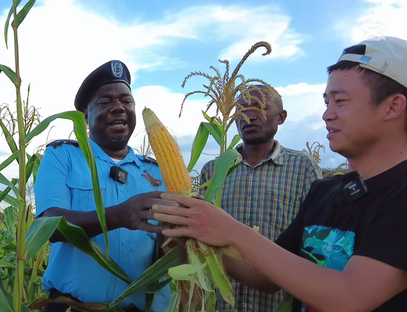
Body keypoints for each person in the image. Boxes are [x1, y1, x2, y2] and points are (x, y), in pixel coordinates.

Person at [151, 36, 407, 312]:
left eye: (340, 101)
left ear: (393, 106)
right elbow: (264, 276)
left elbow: (350, 297)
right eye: (326, 102)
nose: (326, 115)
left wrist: (231, 230)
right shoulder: (325, 193)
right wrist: (197, 238)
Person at [34, 60, 175, 312]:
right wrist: (119, 216)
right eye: (105, 101)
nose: (118, 107)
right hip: (72, 307)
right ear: (86, 115)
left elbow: (165, 250)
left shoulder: (156, 171)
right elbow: (49, 225)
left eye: (126, 101)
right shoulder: (62, 156)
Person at [198, 85, 323, 312]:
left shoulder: (302, 168)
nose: (249, 116)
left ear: (281, 117)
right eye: (241, 109)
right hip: (223, 303)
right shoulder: (213, 171)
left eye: (259, 107)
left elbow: (313, 244)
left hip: (278, 303)